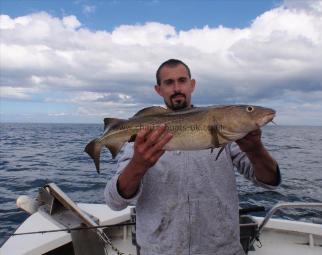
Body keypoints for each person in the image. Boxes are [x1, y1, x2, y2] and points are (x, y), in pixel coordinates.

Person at [105, 59, 280, 255]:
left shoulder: (230, 136)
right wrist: (138, 164)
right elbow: (114, 202)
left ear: (192, 84)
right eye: (169, 83)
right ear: (158, 89)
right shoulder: (142, 137)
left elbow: (270, 182)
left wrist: (256, 150)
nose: (177, 88)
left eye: (182, 80)